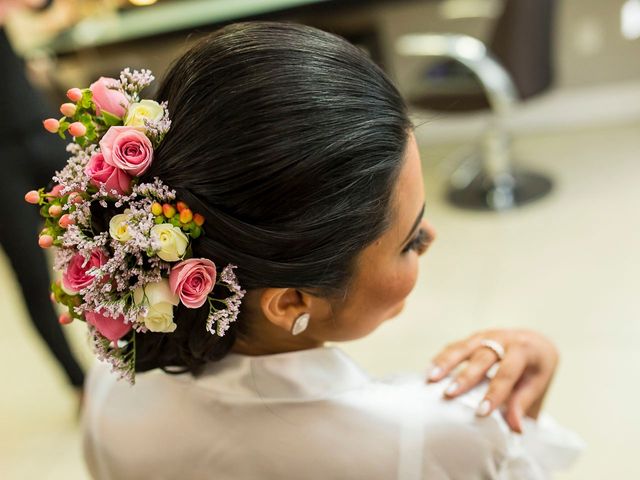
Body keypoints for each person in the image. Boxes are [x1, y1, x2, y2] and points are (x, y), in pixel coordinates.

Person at [81, 22, 583, 479]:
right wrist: (534, 374)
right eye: (408, 241)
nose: (430, 236)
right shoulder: (439, 437)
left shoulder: (110, 394)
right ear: (291, 301)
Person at [0, 0, 85, 390]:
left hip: (38, 132)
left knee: (115, 231)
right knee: (33, 278)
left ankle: (148, 348)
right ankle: (79, 384)